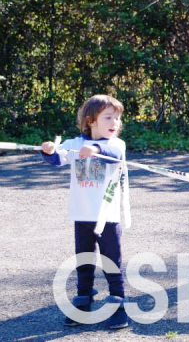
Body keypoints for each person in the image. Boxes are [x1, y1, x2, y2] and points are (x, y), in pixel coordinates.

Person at [40, 94, 130, 329]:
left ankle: (118, 303)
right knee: (84, 260)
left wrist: (95, 148)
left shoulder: (116, 144)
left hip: (107, 217)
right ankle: (83, 299)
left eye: (117, 118)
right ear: (91, 121)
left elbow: (114, 156)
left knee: (112, 261)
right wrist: (49, 151)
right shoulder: (74, 144)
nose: (115, 123)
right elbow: (57, 159)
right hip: (82, 215)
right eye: (108, 117)